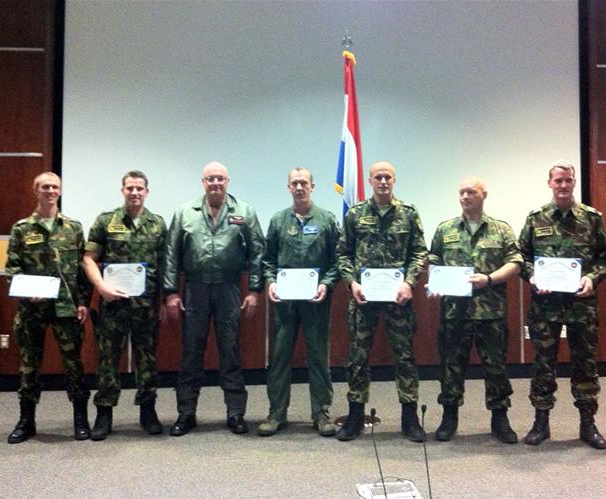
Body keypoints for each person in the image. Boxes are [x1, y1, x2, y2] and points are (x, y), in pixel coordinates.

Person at [164, 161, 265, 436]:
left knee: (230, 351)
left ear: (228, 181)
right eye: (211, 179)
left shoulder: (244, 212)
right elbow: (171, 255)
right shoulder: (185, 212)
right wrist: (171, 292)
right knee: (190, 352)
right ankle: (186, 414)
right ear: (203, 182)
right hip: (194, 289)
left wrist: (255, 291)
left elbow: (258, 252)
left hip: (229, 289)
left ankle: (235, 413)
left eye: (220, 178)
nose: (216, 183)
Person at [517, 160, 606, 449]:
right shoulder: (536, 218)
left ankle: (588, 424)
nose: (563, 185)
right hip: (545, 305)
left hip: (581, 305)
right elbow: (521, 255)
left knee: (585, 363)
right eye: (558, 180)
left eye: (568, 180)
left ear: (574, 183)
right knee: (543, 363)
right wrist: (533, 276)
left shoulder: (591, 218)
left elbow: (605, 258)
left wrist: (592, 279)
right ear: (549, 183)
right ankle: (541, 422)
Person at [336, 161, 428, 442]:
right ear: (370, 180)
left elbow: (420, 253)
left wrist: (409, 282)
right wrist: (352, 283)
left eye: (388, 177)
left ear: (394, 180)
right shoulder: (355, 214)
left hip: (398, 299)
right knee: (358, 358)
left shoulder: (409, 214)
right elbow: (343, 254)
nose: (383, 181)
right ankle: (354, 417)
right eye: (378, 177)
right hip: (363, 299)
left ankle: (410, 418)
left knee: (405, 358)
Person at [428, 176, 521, 443]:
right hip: (454, 312)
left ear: (484, 195)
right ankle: (449, 417)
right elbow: (433, 259)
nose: (465, 196)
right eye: (461, 192)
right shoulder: (445, 229)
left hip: (490, 311)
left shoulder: (500, 229)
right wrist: (435, 282)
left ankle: (500, 419)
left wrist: (490, 279)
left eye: (471, 192)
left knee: (496, 367)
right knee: (451, 366)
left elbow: (514, 262)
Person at [5, 171, 92, 443]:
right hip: (32, 310)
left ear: (60, 191)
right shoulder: (22, 228)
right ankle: (26, 421)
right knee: (29, 365)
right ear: (36, 191)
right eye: (45, 187)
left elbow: (81, 269)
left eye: (55, 187)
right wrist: (28, 293)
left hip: (66, 308)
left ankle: (80, 419)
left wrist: (83, 303)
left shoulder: (73, 228)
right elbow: (12, 269)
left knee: (73, 364)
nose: (50, 191)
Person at [82, 170, 167, 440]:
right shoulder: (106, 221)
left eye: (139, 188)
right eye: (130, 188)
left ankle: (148, 411)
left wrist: (164, 300)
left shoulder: (157, 224)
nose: (134, 192)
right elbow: (88, 258)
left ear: (147, 192)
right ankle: (104, 414)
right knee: (107, 361)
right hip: (113, 306)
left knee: (147, 360)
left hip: (146, 306)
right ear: (122, 191)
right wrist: (101, 287)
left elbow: (166, 267)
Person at [258, 167, 339, 437]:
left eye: (304, 183)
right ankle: (276, 414)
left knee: (318, 357)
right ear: (288, 187)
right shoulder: (278, 220)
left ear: (313, 187)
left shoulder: (326, 220)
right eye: (295, 183)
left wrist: (326, 284)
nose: (300, 187)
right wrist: (270, 281)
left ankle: (322, 414)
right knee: (280, 357)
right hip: (285, 302)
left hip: (316, 301)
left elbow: (336, 261)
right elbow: (267, 259)